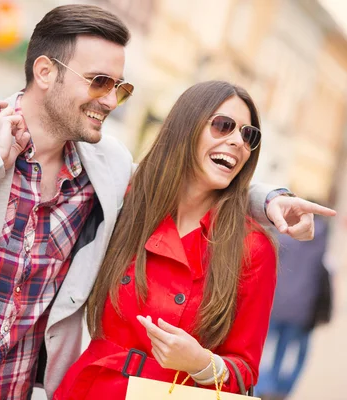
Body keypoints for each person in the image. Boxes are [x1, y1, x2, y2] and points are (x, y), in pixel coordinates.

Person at [0, 5, 334, 400]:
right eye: (99, 82)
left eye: (119, 86)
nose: (111, 100)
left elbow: (182, 178)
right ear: (46, 71)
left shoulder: (107, 166)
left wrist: (268, 198)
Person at [54, 81, 276, 399]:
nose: (238, 142)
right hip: (91, 388)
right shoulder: (125, 204)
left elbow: (245, 370)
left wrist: (200, 363)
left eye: (248, 135)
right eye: (224, 126)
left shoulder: (252, 247)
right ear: (186, 127)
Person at [255, 215, 333, 400]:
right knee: (290, 353)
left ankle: (263, 387)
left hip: (274, 305)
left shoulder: (282, 234)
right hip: (301, 311)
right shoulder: (320, 240)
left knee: (264, 350)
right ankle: (280, 391)